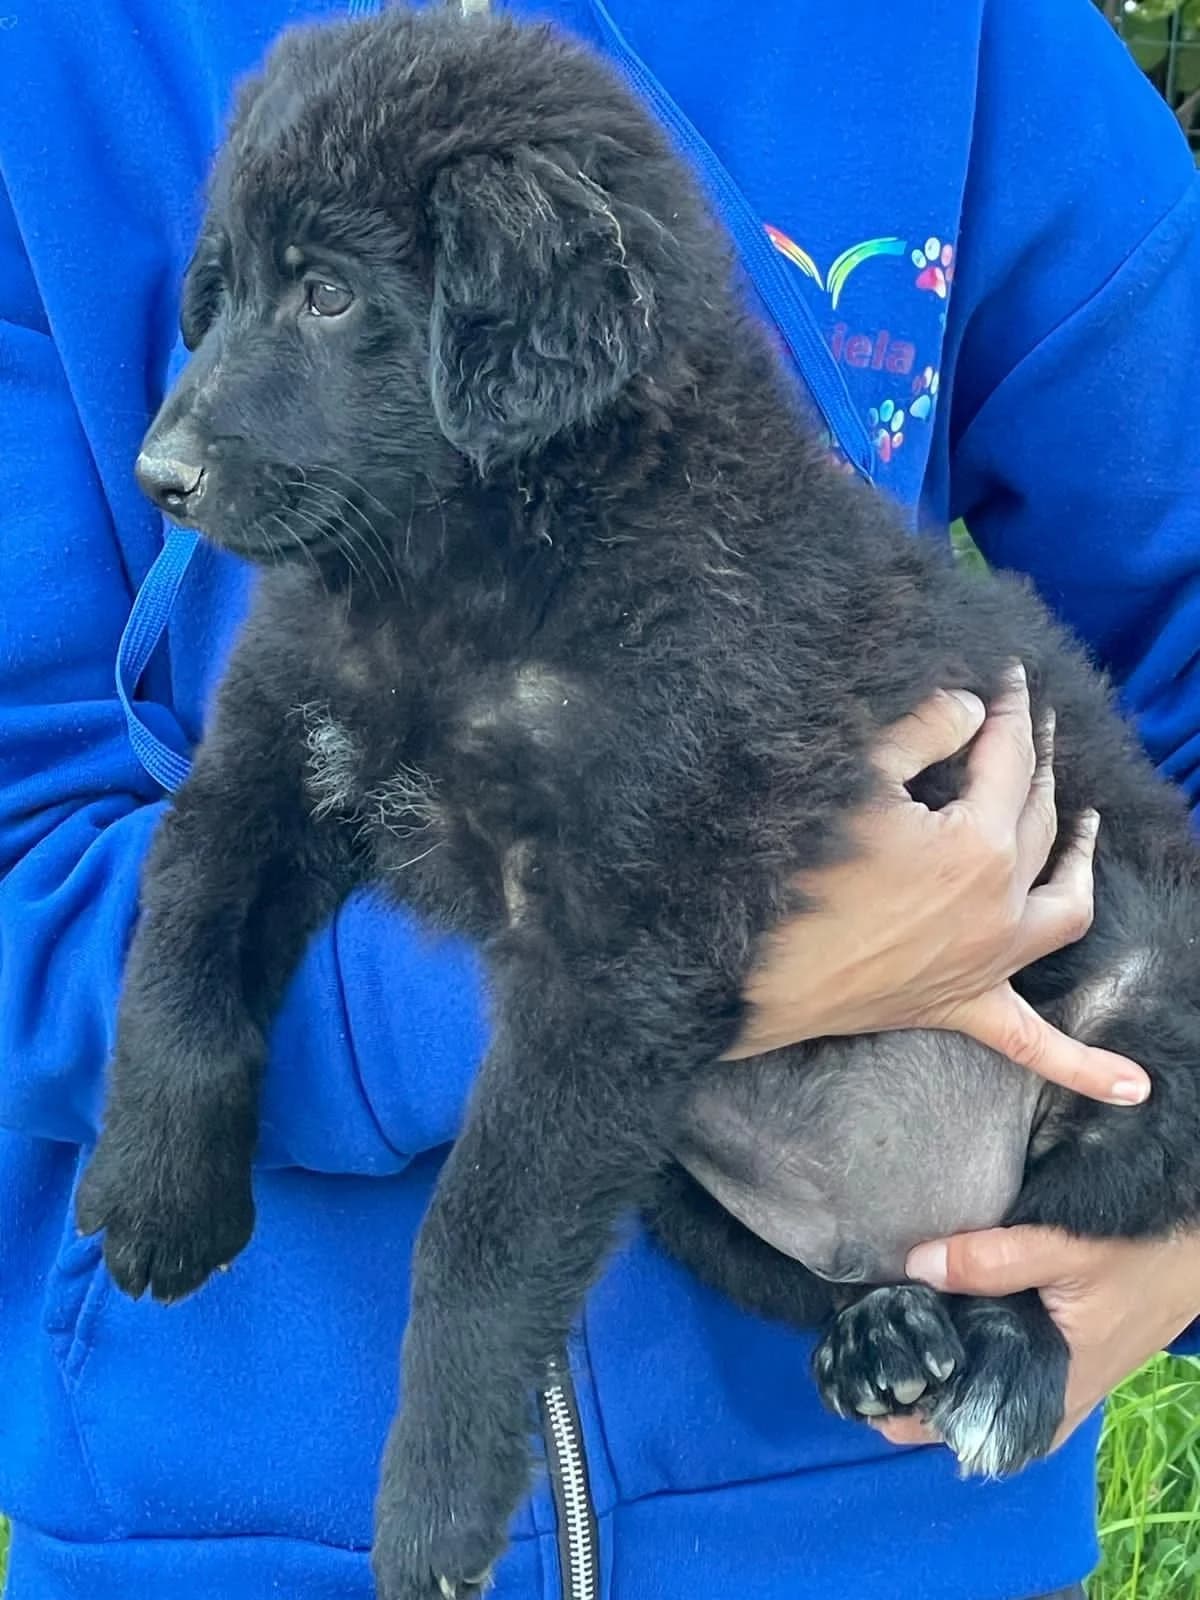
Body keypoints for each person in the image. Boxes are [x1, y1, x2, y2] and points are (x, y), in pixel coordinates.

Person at [0, 0, 1197, 1596]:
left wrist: (1183, 1225)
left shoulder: (957, 36)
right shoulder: (51, 63)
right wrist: (676, 976)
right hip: (229, 1520)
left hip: (869, 1526)